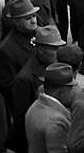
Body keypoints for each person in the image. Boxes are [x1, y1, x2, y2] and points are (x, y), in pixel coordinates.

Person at [10, 25, 65, 153]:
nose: (59, 52)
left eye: (60, 47)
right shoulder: (25, 79)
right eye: (54, 49)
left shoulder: (56, 67)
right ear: (40, 50)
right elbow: (21, 120)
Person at [25, 63, 75, 153]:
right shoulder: (56, 121)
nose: (72, 93)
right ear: (62, 92)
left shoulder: (35, 106)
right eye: (71, 89)